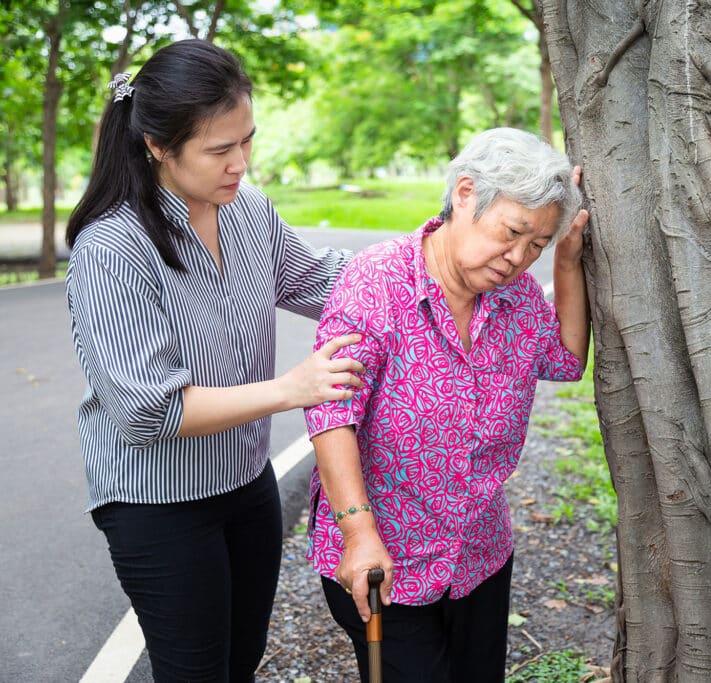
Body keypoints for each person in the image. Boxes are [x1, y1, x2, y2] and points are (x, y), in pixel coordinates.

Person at [64, 39, 364, 682]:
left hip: (246, 482)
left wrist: (442, 257)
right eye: (220, 150)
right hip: (157, 502)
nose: (241, 163)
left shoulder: (249, 210)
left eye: (247, 141)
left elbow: (322, 281)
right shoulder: (112, 248)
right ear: (157, 146)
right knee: (195, 673)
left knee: (240, 661)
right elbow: (149, 409)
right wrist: (292, 390)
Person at [304, 127, 590, 682]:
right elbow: (331, 412)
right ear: (464, 195)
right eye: (512, 232)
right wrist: (359, 534)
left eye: (536, 245)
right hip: (387, 560)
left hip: (478, 554)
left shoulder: (517, 298)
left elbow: (566, 361)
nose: (517, 257)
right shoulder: (377, 281)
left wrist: (567, 263)